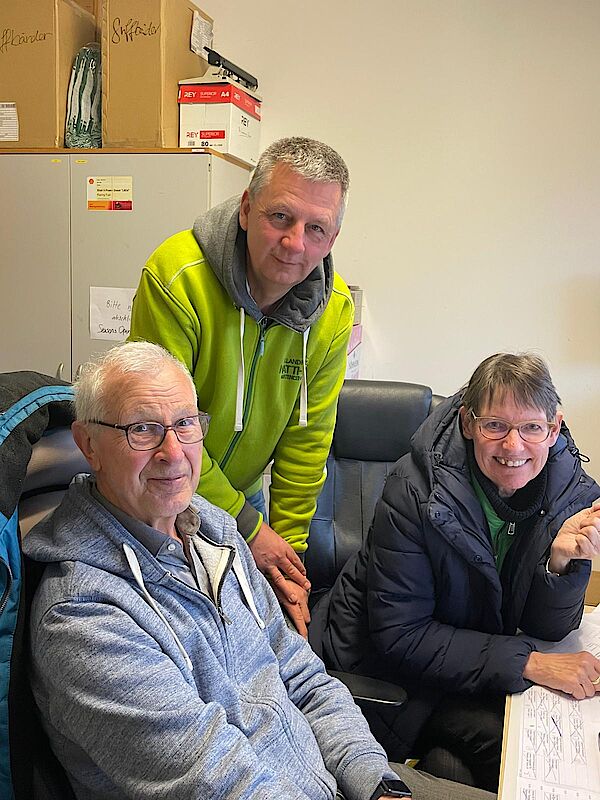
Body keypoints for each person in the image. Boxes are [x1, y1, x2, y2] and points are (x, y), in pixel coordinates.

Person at [23, 342, 495, 800]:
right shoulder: (82, 615)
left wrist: (376, 782)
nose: (173, 452)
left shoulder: (215, 531)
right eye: (142, 429)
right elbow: (214, 778)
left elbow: (303, 677)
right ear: (89, 444)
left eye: (185, 423)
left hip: (327, 774)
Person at [321, 352, 600, 791]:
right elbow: (401, 636)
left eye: (531, 427)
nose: (514, 446)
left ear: (554, 428)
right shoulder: (414, 492)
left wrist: (559, 565)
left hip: (468, 657)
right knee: (526, 756)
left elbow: (548, 627)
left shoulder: (565, 491)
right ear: (468, 423)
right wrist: (528, 662)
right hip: (387, 672)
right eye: (495, 426)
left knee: (481, 762)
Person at [129, 136, 354, 636]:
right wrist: (249, 530)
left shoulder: (334, 311)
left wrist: (287, 556)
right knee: (177, 637)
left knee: (260, 634)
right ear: (247, 209)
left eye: (315, 228)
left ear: (332, 238)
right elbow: (158, 429)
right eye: (281, 217)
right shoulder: (178, 277)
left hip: (241, 495)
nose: (295, 243)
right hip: (156, 487)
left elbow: (307, 440)